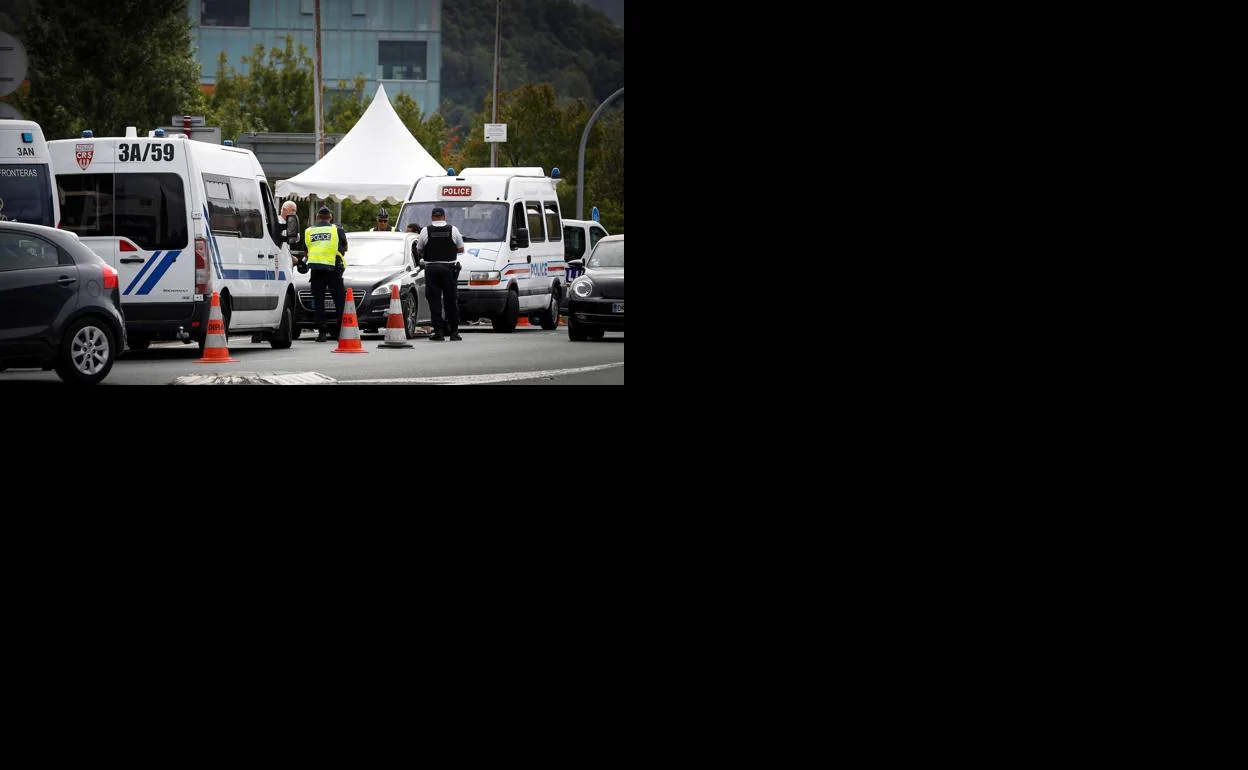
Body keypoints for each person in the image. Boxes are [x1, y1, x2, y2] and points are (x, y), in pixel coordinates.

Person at [415, 207, 464, 341]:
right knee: (451, 301)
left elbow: (419, 249)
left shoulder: (426, 230)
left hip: (431, 269)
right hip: (449, 268)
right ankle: (454, 332)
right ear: (444, 216)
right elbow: (461, 248)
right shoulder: (453, 229)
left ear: (432, 217)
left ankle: (439, 332)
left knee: (434, 301)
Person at [303, 205, 349, 342]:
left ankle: (322, 332)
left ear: (317, 217)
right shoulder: (337, 230)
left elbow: (306, 251)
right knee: (339, 300)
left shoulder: (309, 231)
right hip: (333, 268)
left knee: (319, 301)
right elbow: (345, 247)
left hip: (316, 269)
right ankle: (341, 331)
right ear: (330, 217)